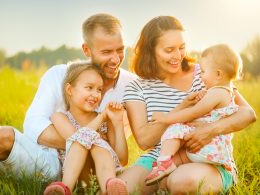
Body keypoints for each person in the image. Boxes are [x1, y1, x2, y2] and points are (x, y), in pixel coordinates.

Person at [0, 13, 136, 180]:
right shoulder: (60, 75)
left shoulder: (133, 87)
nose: (115, 59)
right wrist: (89, 142)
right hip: (36, 151)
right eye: (106, 52)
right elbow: (33, 125)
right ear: (86, 49)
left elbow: (131, 149)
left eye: (120, 50)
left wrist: (82, 147)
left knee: (5, 135)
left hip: (60, 168)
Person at [119, 16, 256, 194]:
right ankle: (162, 182)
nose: (178, 56)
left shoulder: (206, 72)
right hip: (161, 159)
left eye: (182, 47)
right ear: (150, 50)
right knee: (119, 189)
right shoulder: (136, 87)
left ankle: (172, 185)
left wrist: (210, 129)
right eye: (169, 50)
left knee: (181, 181)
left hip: (207, 158)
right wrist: (181, 108)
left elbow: (247, 113)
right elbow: (145, 140)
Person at [145, 44, 243, 186]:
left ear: (218, 74)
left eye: (203, 71)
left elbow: (193, 112)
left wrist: (165, 118)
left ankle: (164, 161)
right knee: (169, 174)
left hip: (207, 147)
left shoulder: (217, 92)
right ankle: (164, 175)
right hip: (208, 148)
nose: (200, 76)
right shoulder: (222, 92)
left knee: (175, 127)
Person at [43, 62, 128, 195]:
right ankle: (65, 189)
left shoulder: (107, 120)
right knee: (89, 141)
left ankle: (110, 189)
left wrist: (117, 124)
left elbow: (122, 159)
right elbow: (79, 140)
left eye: (99, 90)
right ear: (70, 90)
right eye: (89, 88)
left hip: (104, 176)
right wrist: (101, 119)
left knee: (98, 145)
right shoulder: (59, 117)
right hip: (77, 177)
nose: (95, 94)